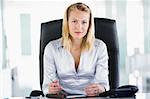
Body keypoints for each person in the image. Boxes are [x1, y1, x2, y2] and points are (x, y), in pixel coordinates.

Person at [42, 2, 109, 96]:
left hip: (91, 97)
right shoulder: (51, 48)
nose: (79, 27)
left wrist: (100, 89)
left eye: (84, 22)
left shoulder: (100, 47)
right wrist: (51, 89)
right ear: (67, 23)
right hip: (62, 97)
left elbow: (103, 85)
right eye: (74, 21)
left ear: (89, 24)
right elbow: (47, 86)